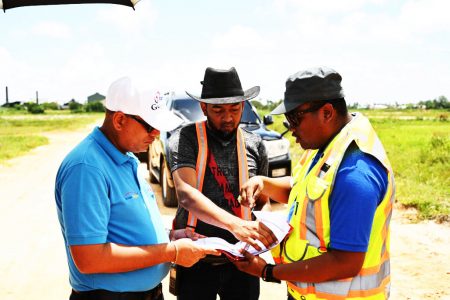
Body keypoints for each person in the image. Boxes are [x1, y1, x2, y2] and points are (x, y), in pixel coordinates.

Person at [235, 67, 395, 300]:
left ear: (327, 112)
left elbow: (345, 261)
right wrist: (263, 183)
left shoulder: (355, 173)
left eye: (294, 119)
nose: (290, 130)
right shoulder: (325, 145)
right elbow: (303, 190)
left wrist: (267, 271)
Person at [55, 77, 220, 300]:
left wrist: (168, 236)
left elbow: (124, 227)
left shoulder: (125, 157)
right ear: (120, 120)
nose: (155, 135)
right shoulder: (87, 167)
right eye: (150, 127)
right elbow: (89, 258)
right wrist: (172, 251)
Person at [168, 67, 277, 300]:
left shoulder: (256, 145)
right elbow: (186, 195)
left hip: (243, 264)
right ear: (204, 107)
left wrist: (266, 226)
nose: (228, 117)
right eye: (218, 110)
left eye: (235, 109)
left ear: (243, 106)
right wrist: (235, 225)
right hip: (196, 261)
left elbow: (263, 203)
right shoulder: (185, 139)